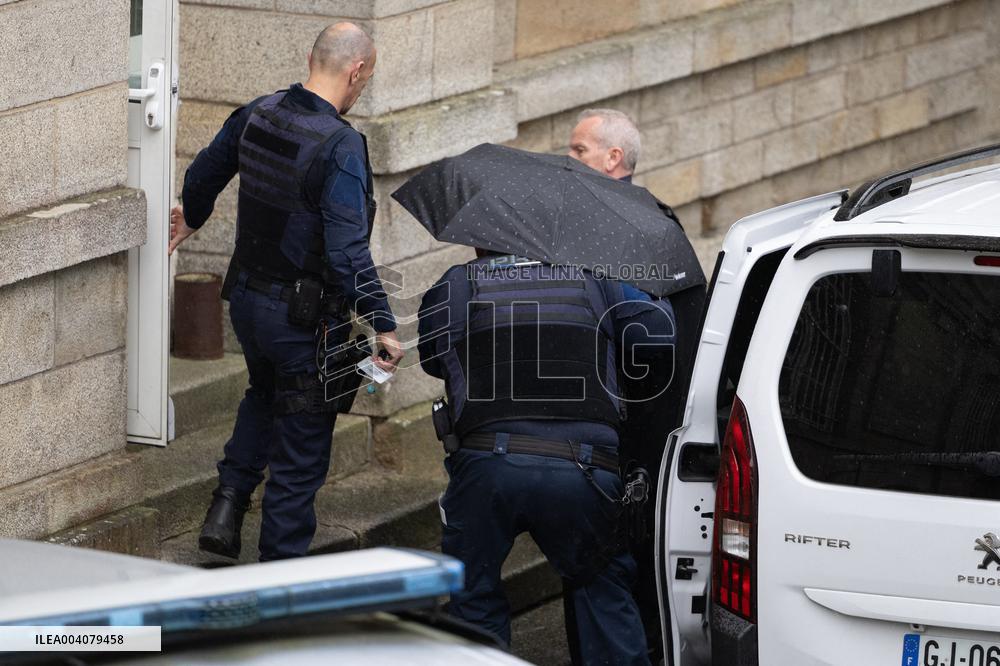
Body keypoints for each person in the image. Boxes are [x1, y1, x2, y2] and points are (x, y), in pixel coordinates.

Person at [169, 22, 403, 562]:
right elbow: (348, 254)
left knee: (263, 392)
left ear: (309, 57)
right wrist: (383, 325)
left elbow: (205, 170)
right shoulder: (340, 145)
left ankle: (227, 507)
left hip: (249, 304)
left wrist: (194, 217)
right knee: (300, 452)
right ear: (357, 70)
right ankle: (278, 584)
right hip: (302, 319)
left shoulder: (261, 110)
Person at [417, 249, 675, 665]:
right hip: (585, 470)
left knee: (473, 598)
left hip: (487, 467)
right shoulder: (598, 275)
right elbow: (657, 337)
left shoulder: (459, 282)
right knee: (603, 593)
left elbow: (432, 356)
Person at [567, 108, 707, 661]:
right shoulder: (650, 219)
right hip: (640, 419)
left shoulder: (624, 229)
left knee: (618, 553)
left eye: (578, 150)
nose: (568, 158)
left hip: (634, 424)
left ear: (613, 158)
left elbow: (650, 338)